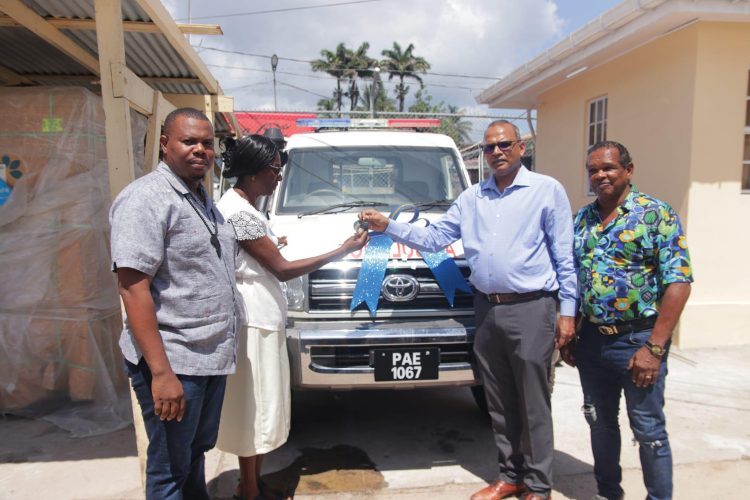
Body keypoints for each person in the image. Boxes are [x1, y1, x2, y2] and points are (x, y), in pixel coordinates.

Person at [360, 120, 577, 500]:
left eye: (504, 144)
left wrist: (568, 311)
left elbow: (564, 256)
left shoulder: (547, 191)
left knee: (533, 405)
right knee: (499, 403)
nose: (497, 152)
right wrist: (388, 225)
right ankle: (510, 477)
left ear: (521, 147)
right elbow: (433, 238)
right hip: (486, 310)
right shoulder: (471, 198)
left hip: (531, 308)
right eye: (490, 147)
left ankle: (539, 485)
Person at [215, 134, 368, 500]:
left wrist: (271, 243)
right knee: (256, 409)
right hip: (254, 324)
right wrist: (342, 250)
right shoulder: (239, 213)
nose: (278, 178)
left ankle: (250, 483)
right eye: (274, 171)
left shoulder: (244, 208)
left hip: (261, 319)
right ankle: (250, 489)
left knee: (259, 409)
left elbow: (257, 256)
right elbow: (282, 270)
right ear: (253, 174)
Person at [110, 107, 242, 499]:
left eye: (207, 143)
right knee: (169, 468)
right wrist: (162, 375)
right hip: (173, 361)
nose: (201, 150)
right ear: (165, 144)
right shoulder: (145, 199)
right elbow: (133, 288)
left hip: (208, 356)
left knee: (194, 454)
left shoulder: (200, 196)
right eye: (189, 141)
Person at [561, 141, 692, 500]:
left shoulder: (656, 214)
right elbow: (571, 275)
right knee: (600, 424)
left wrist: (655, 347)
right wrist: (570, 328)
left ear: (628, 171)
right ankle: (608, 494)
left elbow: (679, 281)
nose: (599, 175)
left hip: (638, 341)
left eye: (608, 168)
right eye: (592, 170)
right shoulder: (582, 219)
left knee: (648, 430)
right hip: (591, 342)